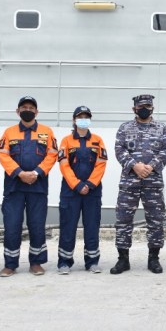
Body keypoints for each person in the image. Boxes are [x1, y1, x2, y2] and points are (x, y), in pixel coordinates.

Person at [0, 96, 58, 277]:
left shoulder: (47, 132)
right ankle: (10, 264)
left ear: (37, 112)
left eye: (31, 108)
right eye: (24, 107)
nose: (28, 110)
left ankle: (36, 262)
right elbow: (2, 155)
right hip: (14, 187)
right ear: (18, 111)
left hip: (37, 187)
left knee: (37, 225)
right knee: (12, 226)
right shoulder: (9, 132)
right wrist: (19, 173)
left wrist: (37, 173)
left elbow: (52, 155)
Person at [111, 94, 166, 275]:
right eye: (141, 107)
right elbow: (119, 149)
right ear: (134, 109)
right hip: (129, 182)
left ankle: (154, 259)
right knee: (123, 220)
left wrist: (151, 166)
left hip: (153, 182)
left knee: (155, 220)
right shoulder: (125, 128)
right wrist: (134, 165)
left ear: (152, 108)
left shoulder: (161, 128)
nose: (144, 109)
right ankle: (123, 259)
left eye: (147, 106)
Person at [57, 106, 108, 274]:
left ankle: (92, 262)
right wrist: (77, 185)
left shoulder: (98, 140)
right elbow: (64, 164)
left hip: (92, 192)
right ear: (74, 120)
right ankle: (64, 262)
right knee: (68, 227)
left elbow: (101, 163)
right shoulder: (66, 141)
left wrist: (90, 184)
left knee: (92, 226)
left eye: (86, 117)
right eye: (80, 117)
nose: (83, 120)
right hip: (70, 192)